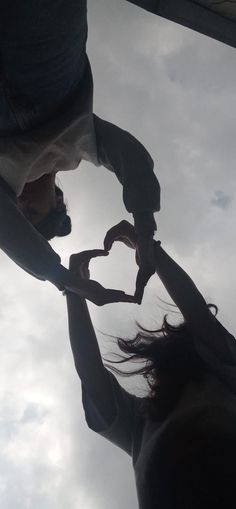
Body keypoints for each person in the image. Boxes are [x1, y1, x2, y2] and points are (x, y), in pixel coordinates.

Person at [65, 220, 236, 509]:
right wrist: (148, 250)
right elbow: (199, 317)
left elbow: (92, 378)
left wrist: (74, 291)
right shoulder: (224, 380)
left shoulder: (140, 424)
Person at [0, 1, 160, 304]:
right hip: (48, 66)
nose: (20, 204)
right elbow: (132, 157)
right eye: (32, 211)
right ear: (58, 201)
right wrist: (145, 226)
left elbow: (6, 228)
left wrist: (62, 278)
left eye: (19, 213)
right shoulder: (78, 146)